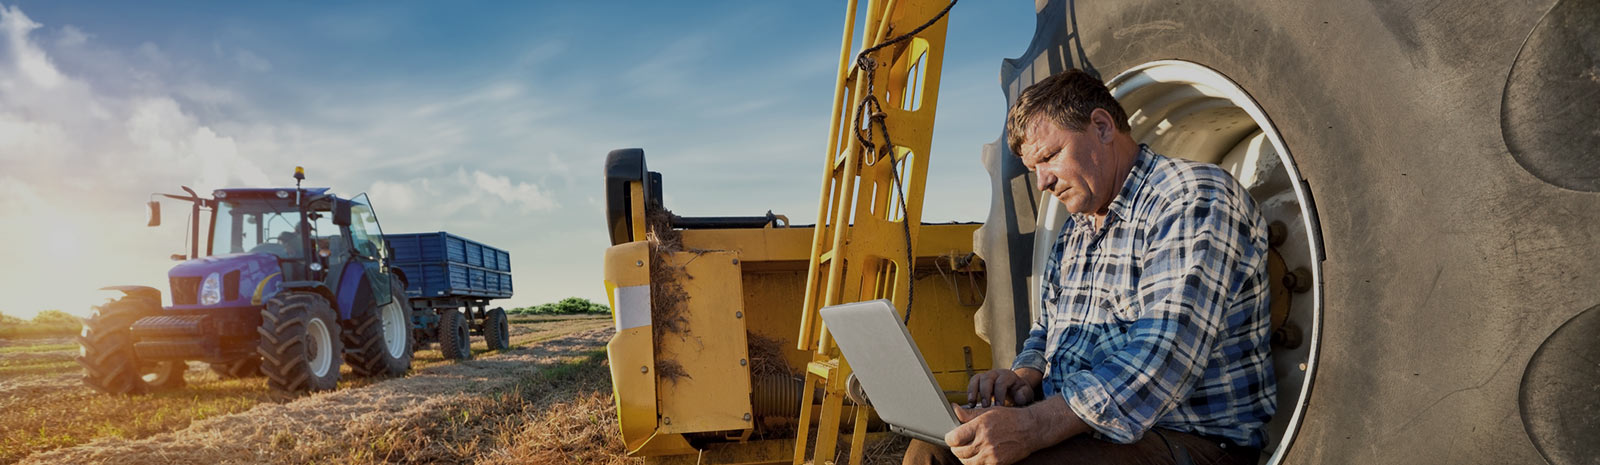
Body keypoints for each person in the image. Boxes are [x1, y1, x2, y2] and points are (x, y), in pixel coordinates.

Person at [904, 70, 1276, 465]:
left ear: (1101, 126)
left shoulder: (1190, 198)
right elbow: (1046, 330)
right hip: (1088, 428)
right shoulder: (1076, 232)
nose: (1043, 181)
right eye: (1034, 169)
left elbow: (1163, 356)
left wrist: (1033, 427)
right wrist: (1025, 378)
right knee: (934, 448)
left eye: (1049, 157)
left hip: (1184, 436)